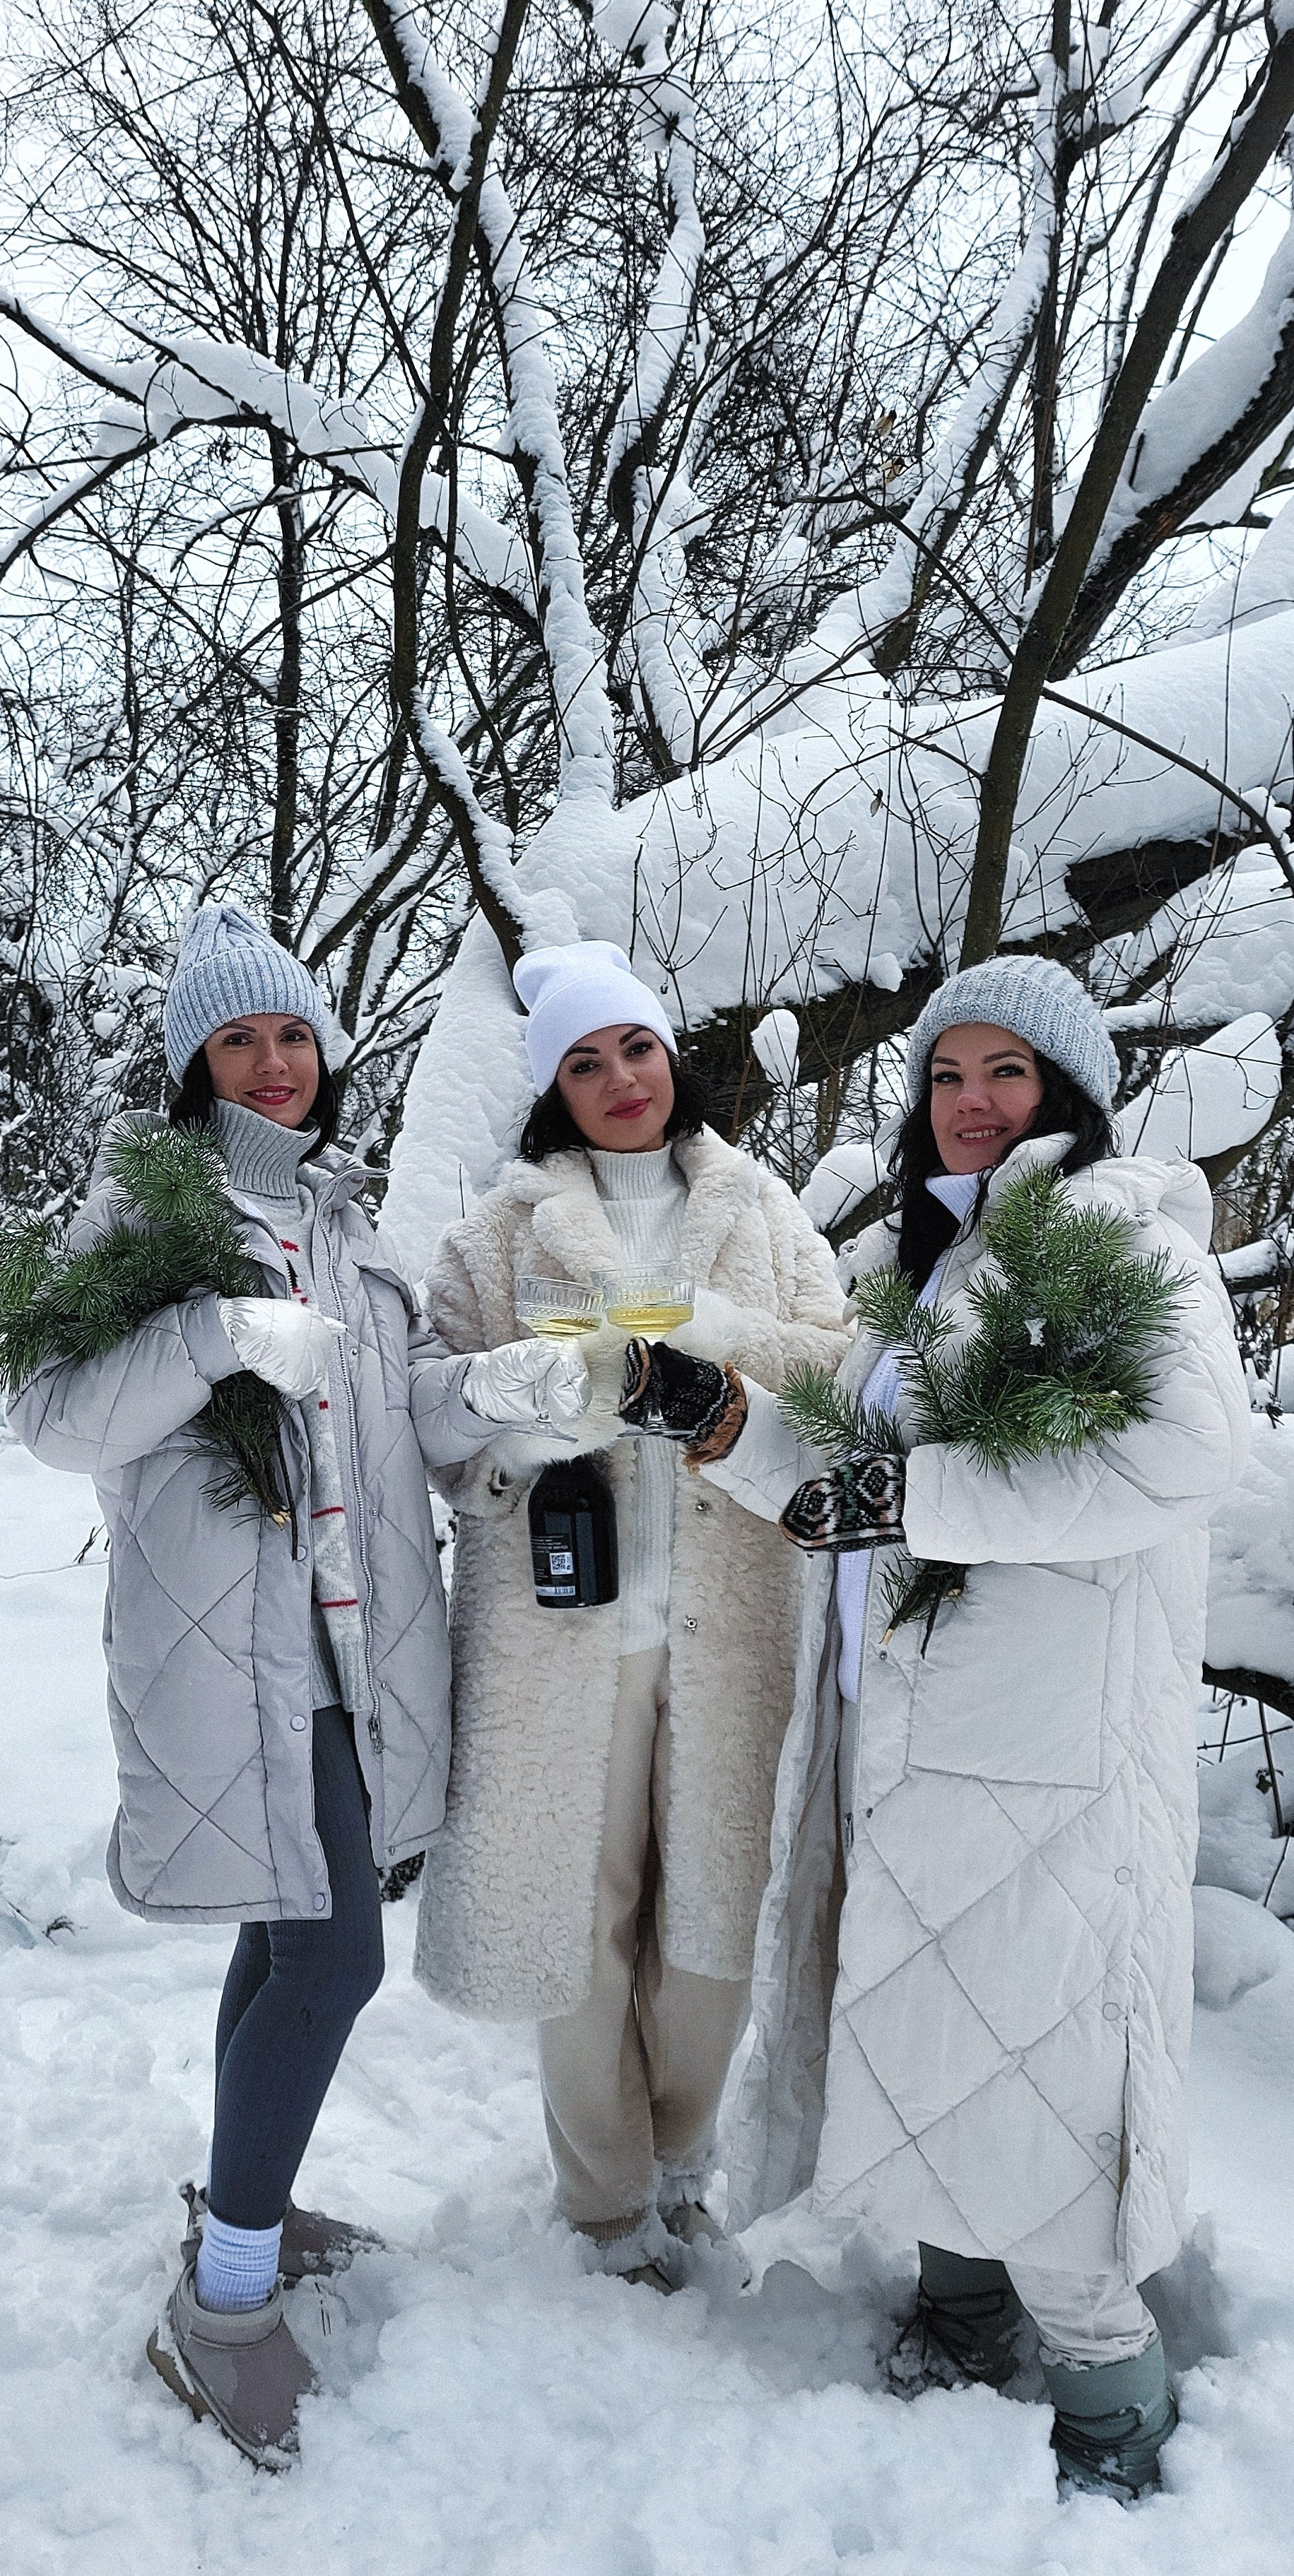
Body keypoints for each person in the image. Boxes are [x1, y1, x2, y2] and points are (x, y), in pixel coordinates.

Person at [628, 955, 1251, 2494]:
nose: (971, 1102)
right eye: (947, 1076)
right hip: (899, 1734)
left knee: (1043, 2074)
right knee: (935, 2043)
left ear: (1068, 1090)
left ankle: (1111, 2398)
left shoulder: (1124, 1243)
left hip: (1043, 1757)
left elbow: (1183, 1456)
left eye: (1005, 1073)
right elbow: (852, 1488)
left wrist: (914, 1494)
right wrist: (716, 1419)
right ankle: (961, 2310)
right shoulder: (934, 1272)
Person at [10, 903, 586, 2463]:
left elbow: (391, 1417)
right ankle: (223, 2306)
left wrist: (490, 1390)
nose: (272, 1064)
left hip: (350, 1647)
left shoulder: (341, 1214)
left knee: (287, 1939)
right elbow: (52, 1416)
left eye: (291, 1035)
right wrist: (208, 1333)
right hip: (233, 1655)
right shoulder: (145, 1209)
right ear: (193, 1062)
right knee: (336, 1962)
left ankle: (234, 2201)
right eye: (237, 1039)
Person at [418, 939, 852, 2290]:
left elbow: (840, 1379)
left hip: (733, 1625)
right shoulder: (497, 1237)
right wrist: (545, 1407)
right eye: (585, 1062)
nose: (620, 1080)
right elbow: (440, 1426)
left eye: (638, 1049)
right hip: (560, 1633)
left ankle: (681, 2161)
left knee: (717, 1915)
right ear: (552, 1088)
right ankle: (603, 2197)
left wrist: (711, 1334)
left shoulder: (765, 1214)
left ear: (673, 1057)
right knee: (578, 1915)